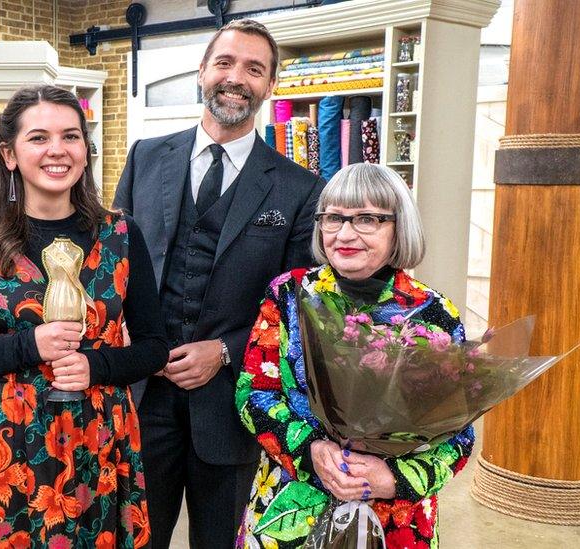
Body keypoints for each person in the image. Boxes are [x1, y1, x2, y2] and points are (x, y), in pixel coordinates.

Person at [0, 85, 168, 547]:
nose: (57, 150)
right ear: (9, 154)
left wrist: (98, 365)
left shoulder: (121, 233)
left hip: (101, 442)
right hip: (8, 451)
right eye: (39, 138)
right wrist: (27, 346)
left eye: (71, 136)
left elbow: (154, 348)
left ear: (85, 151)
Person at [113, 18, 325, 549]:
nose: (236, 78)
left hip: (232, 407)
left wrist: (226, 352)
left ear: (270, 86)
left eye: (254, 69)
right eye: (225, 63)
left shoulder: (300, 189)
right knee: (136, 538)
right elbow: (109, 267)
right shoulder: (144, 158)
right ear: (202, 71)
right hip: (143, 396)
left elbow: (298, 303)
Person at [235, 163, 475, 548]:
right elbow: (254, 394)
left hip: (394, 521)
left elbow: (458, 435)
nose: (345, 234)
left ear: (398, 226)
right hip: (290, 511)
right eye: (333, 218)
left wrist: (394, 478)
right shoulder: (289, 295)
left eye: (367, 219)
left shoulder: (433, 313)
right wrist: (312, 449)